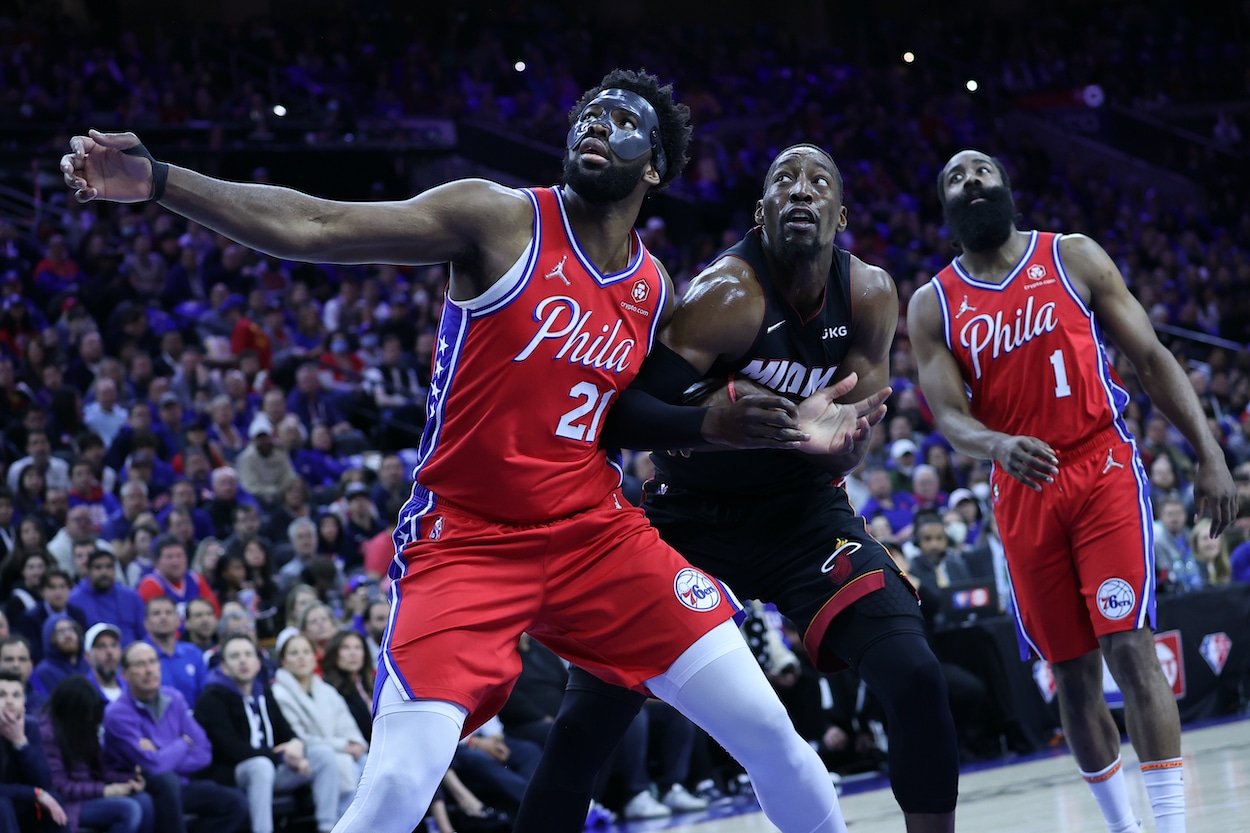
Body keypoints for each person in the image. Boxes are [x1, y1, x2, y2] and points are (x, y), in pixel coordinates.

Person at [58, 70, 886, 833]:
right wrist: (162, 182)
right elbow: (315, 224)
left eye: (625, 119)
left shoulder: (653, 287)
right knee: (393, 787)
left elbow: (631, 414)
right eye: (589, 113)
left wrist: (763, 422)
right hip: (466, 538)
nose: (598, 122)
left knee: (776, 739)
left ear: (656, 168)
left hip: (594, 534)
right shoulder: (497, 217)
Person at [512, 143, 955, 833]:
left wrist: (839, 444)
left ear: (841, 216)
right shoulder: (726, 294)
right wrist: (726, 419)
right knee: (587, 720)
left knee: (916, 674)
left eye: (819, 183)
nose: (801, 191)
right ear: (760, 212)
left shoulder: (869, 292)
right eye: (784, 180)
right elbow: (625, 416)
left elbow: (849, 437)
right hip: (688, 520)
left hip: (800, 514)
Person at [907, 148, 1239, 833]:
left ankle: (1171, 827)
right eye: (955, 178)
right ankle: (1123, 825)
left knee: (1130, 645)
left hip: (1100, 465)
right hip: (1021, 486)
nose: (971, 181)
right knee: (1072, 672)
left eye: (981, 171)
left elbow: (1150, 357)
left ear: (1005, 187)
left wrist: (1208, 452)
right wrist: (997, 444)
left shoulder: (1074, 256)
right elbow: (948, 415)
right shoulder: (933, 302)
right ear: (946, 208)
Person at [195, 635, 340, 833]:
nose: (243, 660)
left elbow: (286, 731)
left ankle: (328, 827)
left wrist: (295, 745)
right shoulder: (212, 698)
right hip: (235, 773)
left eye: (248, 654)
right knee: (260, 767)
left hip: (273, 766)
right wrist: (280, 755)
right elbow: (231, 750)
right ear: (225, 667)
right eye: (235, 656)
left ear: (257, 663)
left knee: (323, 755)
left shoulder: (263, 691)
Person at [103, 641, 249, 833]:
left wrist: (162, 755)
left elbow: (204, 751)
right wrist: (183, 743)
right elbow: (153, 768)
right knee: (166, 780)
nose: (149, 670)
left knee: (236, 803)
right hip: (141, 788)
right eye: (140, 665)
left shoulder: (174, 698)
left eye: (153, 662)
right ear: (124, 674)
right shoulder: (117, 713)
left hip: (183, 783)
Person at [39, 674, 155, 833]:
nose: (90, 719)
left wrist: (129, 780)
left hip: (89, 793)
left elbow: (101, 770)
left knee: (144, 800)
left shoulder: (85, 724)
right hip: (69, 804)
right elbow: (59, 787)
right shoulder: (48, 734)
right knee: (129, 809)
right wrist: (105, 790)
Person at [271, 633, 368, 815]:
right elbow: (299, 738)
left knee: (367, 762)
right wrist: (342, 746)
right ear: (283, 661)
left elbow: (346, 725)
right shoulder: (278, 693)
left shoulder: (327, 690)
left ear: (314, 658)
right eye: (294, 653)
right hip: (309, 757)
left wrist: (356, 743)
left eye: (306, 652)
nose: (301, 657)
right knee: (340, 763)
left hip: (337, 750)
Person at [0, 668, 69, 831]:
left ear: (24, 701)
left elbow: (44, 781)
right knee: (2, 805)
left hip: (19, 802)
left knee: (54, 799)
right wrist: (35, 793)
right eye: (2, 695)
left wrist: (20, 742)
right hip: (6, 803)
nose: (9, 701)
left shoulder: (30, 727)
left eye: (16, 695)